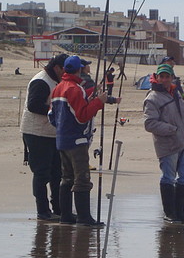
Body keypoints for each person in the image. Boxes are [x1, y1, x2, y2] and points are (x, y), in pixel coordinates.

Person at [48, 56, 120, 227]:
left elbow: (52, 116)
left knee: (67, 178)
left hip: (62, 140)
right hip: (77, 141)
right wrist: (98, 102)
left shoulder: (58, 88)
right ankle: (84, 217)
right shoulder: (75, 89)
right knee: (82, 179)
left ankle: (66, 216)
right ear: (79, 69)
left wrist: (62, 128)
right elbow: (82, 116)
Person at [143, 63, 184, 222]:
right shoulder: (152, 98)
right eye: (162, 76)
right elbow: (149, 124)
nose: (165, 79)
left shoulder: (175, 93)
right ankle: (170, 213)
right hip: (167, 145)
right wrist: (172, 129)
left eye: (168, 76)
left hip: (182, 142)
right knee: (168, 177)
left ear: (172, 77)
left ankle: (179, 212)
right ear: (157, 78)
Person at [20, 53, 68, 221]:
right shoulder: (41, 81)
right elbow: (33, 105)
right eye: (64, 69)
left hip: (52, 133)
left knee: (57, 173)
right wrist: (56, 110)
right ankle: (42, 211)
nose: (66, 73)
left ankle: (58, 209)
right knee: (42, 173)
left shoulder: (56, 80)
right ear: (57, 67)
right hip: (36, 132)